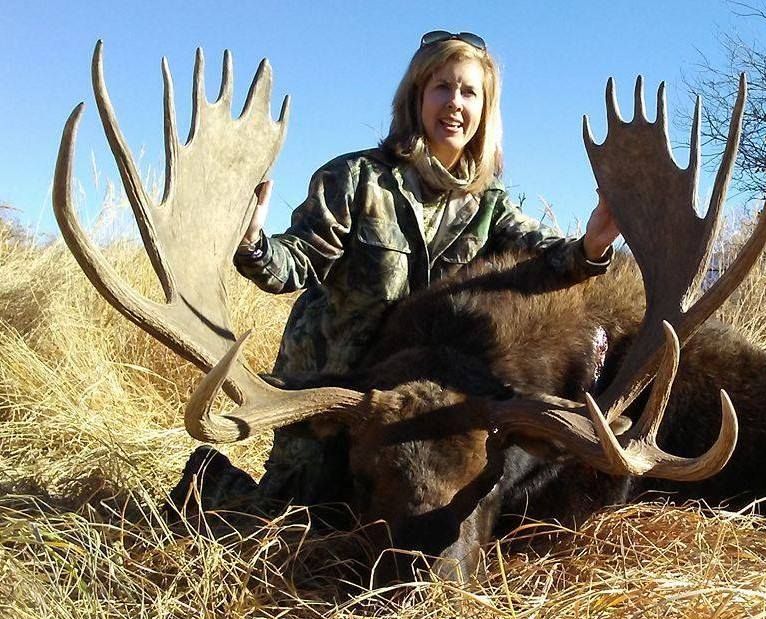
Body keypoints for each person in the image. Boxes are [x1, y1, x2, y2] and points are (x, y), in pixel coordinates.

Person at [170, 30, 620, 518]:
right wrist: (251, 242)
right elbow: (295, 263)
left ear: (484, 112)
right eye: (441, 87)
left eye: (469, 92)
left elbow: (547, 263)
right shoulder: (355, 179)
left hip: (418, 401)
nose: (454, 103)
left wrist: (592, 245)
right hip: (338, 391)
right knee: (300, 516)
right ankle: (207, 482)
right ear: (416, 98)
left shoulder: (490, 206)